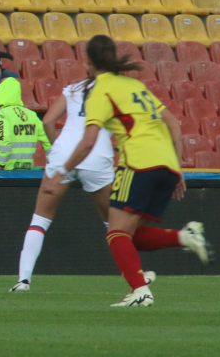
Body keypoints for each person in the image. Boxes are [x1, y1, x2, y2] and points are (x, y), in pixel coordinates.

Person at [60, 35, 210, 307]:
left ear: (88, 61)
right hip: (165, 164)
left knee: (115, 234)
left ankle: (140, 291)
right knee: (129, 237)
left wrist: (63, 168)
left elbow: (89, 140)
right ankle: (183, 236)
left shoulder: (99, 91)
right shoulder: (134, 85)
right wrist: (176, 167)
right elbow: (174, 123)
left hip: (139, 163)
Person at [11, 70, 115, 292]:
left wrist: (55, 150)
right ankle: (138, 278)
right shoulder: (115, 91)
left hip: (64, 155)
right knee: (114, 225)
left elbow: (48, 121)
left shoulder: (73, 88)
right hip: (96, 155)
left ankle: (23, 280)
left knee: (39, 220)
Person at [0, 76, 49, 170]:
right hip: (26, 170)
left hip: (6, 171)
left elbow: (5, 139)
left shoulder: (1, 115)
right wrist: (49, 164)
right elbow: (48, 140)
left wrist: (0, 165)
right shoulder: (32, 115)